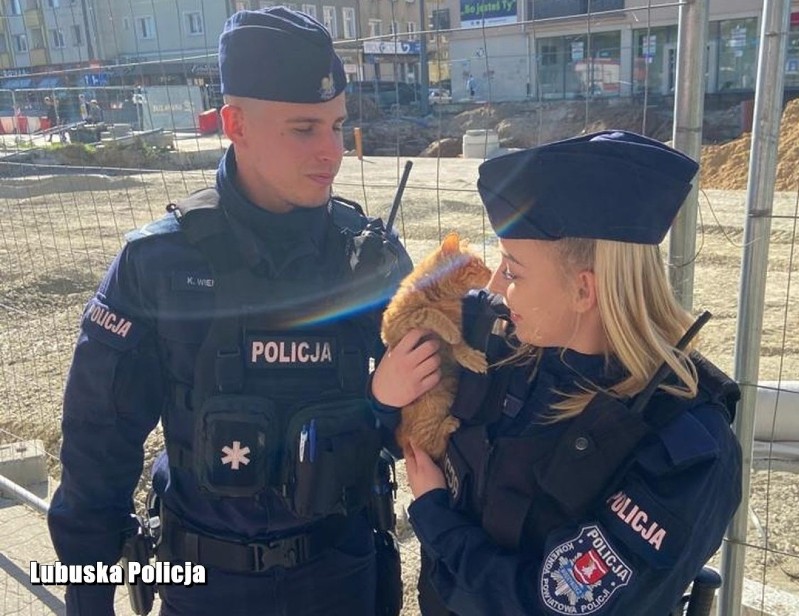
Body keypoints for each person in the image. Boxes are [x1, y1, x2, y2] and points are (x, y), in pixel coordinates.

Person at [48, 6, 412, 616]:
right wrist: (88, 598)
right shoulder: (158, 262)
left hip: (342, 577)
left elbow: (433, 421)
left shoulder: (367, 258)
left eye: (337, 125)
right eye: (303, 129)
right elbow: (97, 446)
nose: (331, 152)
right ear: (235, 123)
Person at [370, 131, 743, 615]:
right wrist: (382, 395)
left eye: (515, 271)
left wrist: (435, 514)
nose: (498, 287)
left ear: (584, 291)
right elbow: (409, 326)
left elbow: (551, 604)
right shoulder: (509, 343)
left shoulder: (685, 448)